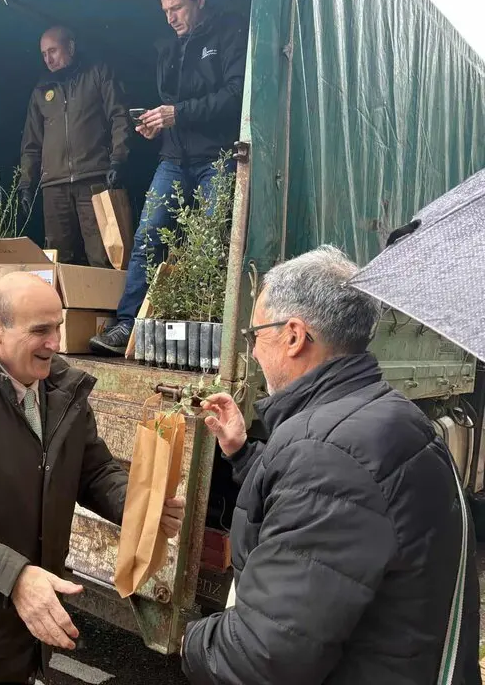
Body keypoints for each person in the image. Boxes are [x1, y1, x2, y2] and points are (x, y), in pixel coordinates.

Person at [181, 246, 481, 684]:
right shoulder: (384, 414)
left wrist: (192, 641)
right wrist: (243, 452)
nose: (253, 352)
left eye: (254, 335)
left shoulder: (328, 455)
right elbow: (327, 500)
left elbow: (263, 657)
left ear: (293, 336)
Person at [0, 271, 185, 685]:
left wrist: (140, 508)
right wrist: (14, 576)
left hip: (29, 621)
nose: (56, 343)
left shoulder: (61, 392)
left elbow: (95, 470)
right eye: (41, 331)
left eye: (59, 327)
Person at [90, 0, 246, 355]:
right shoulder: (168, 46)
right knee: (147, 239)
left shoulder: (230, 33)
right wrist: (155, 125)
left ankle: (208, 339)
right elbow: (172, 107)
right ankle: (126, 325)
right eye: (165, 10)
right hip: (173, 158)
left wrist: (178, 114)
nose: (171, 17)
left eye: (177, 8)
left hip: (218, 158)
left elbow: (235, 95)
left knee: (209, 248)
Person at [19, 26, 130, 267]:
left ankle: (107, 306)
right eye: (43, 54)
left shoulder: (97, 73)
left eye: (53, 51)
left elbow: (119, 117)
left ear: (70, 47)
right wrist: (26, 183)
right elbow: (31, 143)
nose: (48, 59)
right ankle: (60, 306)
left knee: (103, 256)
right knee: (58, 259)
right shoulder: (41, 90)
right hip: (54, 186)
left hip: (94, 178)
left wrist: (118, 159)